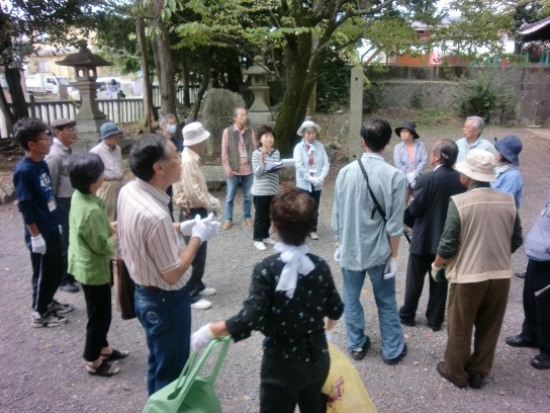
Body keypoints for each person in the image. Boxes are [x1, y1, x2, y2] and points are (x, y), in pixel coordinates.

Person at [191, 189, 344, 413]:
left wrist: (210, 330)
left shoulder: (267, 269)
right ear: (311, 225)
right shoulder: (320, 266)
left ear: (273, 225)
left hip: (280, 364)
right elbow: (336, 308)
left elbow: (249, 318)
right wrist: (326, 333)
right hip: (317, 357)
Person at [117, 134, 220, 395]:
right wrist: (197, 236)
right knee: (172, 373)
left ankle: (155, 406)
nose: (180, 161)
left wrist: (182, 226)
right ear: (158, 167)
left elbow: (143, 233)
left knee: (159, 362)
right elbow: (173, 273)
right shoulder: (154, 216)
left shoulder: (129, 190)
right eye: (175, 156)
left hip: (145, 294)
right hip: (166, 301)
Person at [432, 149, 522, 389]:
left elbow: (448, 243)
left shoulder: (460, 202)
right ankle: (479, 372)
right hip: (501, 275)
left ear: (469, 176)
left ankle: (455, 371)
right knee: (489, 327)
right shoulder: (508, 201)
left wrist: (437, 264)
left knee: (460, 326)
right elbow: (516, 240)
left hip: (469, 276)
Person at [331, 118, 408, 364]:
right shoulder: (396, 177)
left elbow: (337, 216)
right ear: (387, 143)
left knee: (350, 298)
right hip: (380, 250)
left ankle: (356, 344)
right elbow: (395, 225)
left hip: (350, 248)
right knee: (385, 300)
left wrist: (339, 243)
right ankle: (392, 350)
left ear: (362, 141)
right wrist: (394, 257)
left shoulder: (345, 173)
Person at [67, 153, 129, 377]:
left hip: (88, 264)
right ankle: (93, 360)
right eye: (101, 173)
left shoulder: (80, 197)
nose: (104, 175)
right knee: (98, 317)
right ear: (92, 181)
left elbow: (97, 230)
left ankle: (103, 349)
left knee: (102, 313)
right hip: (93, 270)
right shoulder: (91, 210)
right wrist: (117, 239)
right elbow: (100, 245)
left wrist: (111, 226)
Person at [399, 140, 465, 331]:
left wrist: (406, 220)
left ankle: (408, 315)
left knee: (414, 280)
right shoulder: (461, 179)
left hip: (423, 238)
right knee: (439, 280)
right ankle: (435, 319)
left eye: (431, 152)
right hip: (446, 240)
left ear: (437, 156)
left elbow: (416, 208)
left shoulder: (426, 179)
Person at [13, 117, 73, 328]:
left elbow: (49, 195)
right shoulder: (24, 170)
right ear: (31, 144)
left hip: (51, 223)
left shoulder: (42, 164)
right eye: (44, 138)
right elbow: (25, 207)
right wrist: (35, 236)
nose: (49, 141)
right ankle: (39, 312)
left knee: (55, 269)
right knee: (43, 272)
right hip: (39, 230)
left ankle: (48, 301)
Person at [172, 122, 221, 311]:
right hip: (191, 210)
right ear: (196, 141)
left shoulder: (192, 157)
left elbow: (198, 189)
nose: (205, 142)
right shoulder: (188, 160)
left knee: (201, 250)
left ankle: (197, 283)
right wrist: (211, 203)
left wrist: (209, 202)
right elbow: (193, 193)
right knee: (194, 252)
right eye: (203, 139)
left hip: (196, 208)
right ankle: (190, 292)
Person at [505, 192, 550, 370]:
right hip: (538, 257)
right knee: (530, 298)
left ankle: (547, 350)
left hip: (548, 260)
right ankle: (529, 334)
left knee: (546, 306)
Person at [45, 118, 79, 293]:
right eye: (68, 129)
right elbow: (50, 184)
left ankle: (72, 272)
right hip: (61, 201)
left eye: (73, 129)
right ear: (58, 132)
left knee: (73, 237)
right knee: (65, 240)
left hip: (71, 200)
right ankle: (64, 279)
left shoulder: (67, 150)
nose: (73, 132)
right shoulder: (55, 155)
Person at [221, 107, 257, 230]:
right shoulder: (228, 132)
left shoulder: (250, 131)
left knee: (248, 196)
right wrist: (227, 167)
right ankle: (228, 219)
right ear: (235, 118)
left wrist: (255, 165)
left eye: (245, 115)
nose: (244, 117)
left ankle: (247, 216)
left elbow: (255, 149)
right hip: (233, 168)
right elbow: (224, 152)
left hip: (248, 169)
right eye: (241, 115)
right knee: (230, 196)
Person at [293, 120, 330, 240]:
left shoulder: (320, 146)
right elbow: (299, 166)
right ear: (303, 134)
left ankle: (312, 229)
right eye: (308, 133)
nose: (311, 135)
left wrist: (321, 177)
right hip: (304, 183)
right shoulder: (298, 148)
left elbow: (326, 163)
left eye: (313, 133)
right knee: (302, 207)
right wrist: (310, 178)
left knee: (314, 207)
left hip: (317, 182)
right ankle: (301, 229)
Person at [251, 125, 280, 251]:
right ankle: (257, 239)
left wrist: (281, 167)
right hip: (260, 190)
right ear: (260, 139)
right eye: (266, 136)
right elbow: (257, 173)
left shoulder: (276, 152)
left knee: (269, 214)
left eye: (271, 136)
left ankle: (265, 236)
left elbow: (276, 171)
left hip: (273, 189)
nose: (269, 139)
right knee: (260, 216)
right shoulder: (256, 154)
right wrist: (263, 162)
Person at [90, 121, 124, 221]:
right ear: (107, 137)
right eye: (114, 136)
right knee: (109, 214)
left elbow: (119, 163)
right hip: (107, 184)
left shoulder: (118, 149)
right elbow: (92, 170)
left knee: (121, 212)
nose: (117, 138)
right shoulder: (96, 151)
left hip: (119, 181)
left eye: (117, 135)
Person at [393, 121, 427, 200]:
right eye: (401, 131)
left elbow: (423, 161)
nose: (402, 133)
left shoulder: (421, 145)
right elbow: (398, 164)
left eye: (405, 131)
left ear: (412, 134)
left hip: (419, 179)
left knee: (419, 203)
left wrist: (414, 174)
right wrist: (408, 175)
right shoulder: (398, 147)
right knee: (403, 204)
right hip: (404, 179)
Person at [159, 113, 181, 218]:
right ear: (163, 126)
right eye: (170, 124)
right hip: (163, 177)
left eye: (174, 123)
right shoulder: (158, 143)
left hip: (176, 176)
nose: (173, 126)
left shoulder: (178, 142)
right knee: (164, 202)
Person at [492, 134, 523, 208]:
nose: (495, 153)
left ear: (504, 155)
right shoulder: (498, 168)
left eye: (498, 151)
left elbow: (502, 204)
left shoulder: (512, 176)